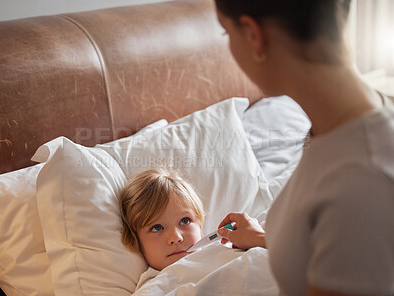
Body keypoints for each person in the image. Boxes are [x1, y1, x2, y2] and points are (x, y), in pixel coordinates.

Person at [214, 0, 394, 295]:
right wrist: (263, 237)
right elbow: (335, 241)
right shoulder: (336, 127)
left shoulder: (361, 180)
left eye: (226, 33)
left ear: (252, 34)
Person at [119, 168, 205, 290]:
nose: (176, 238)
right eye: (157, 228)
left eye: (184, 221)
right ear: (136, 240)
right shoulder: (155, 287)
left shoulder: (224, 248)